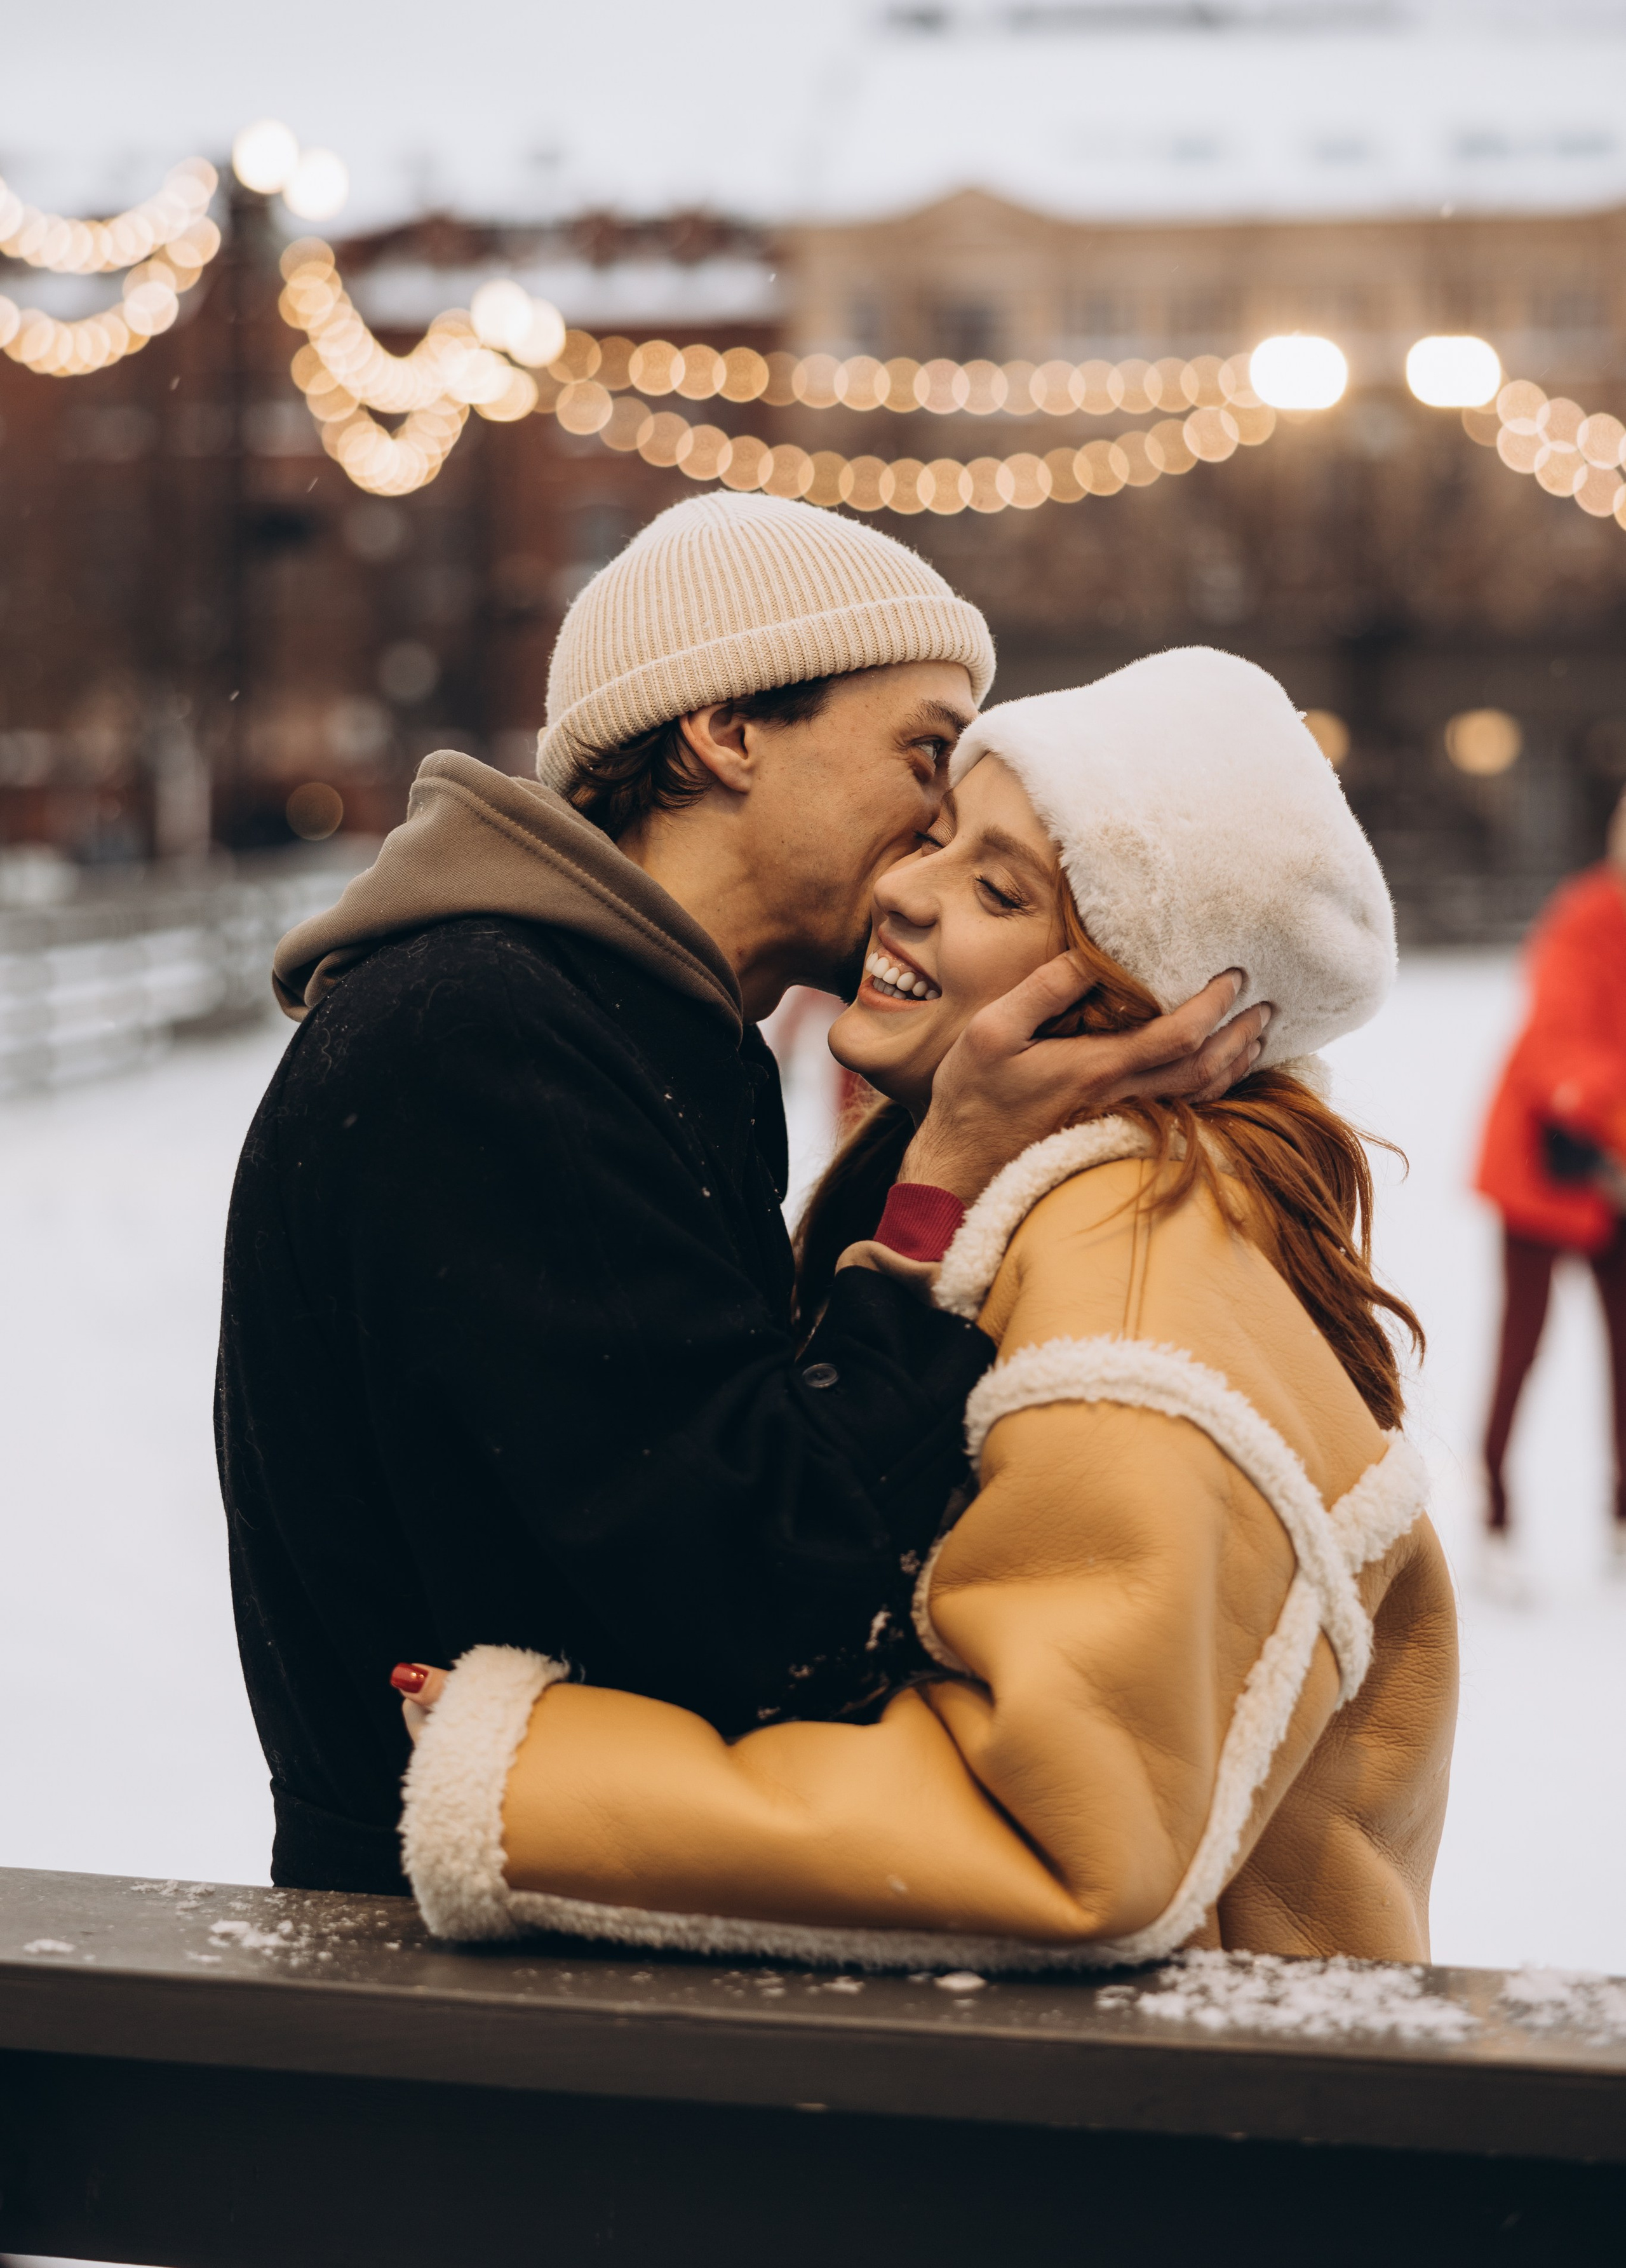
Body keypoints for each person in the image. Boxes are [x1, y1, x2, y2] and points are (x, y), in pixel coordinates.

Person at [217, 497, 1263, 1897]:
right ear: (726, 730)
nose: (932, 834)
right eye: (924, 756)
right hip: (461, 1986)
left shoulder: (622, 1032)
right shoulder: (487, 1042)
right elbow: (775, 1601)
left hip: (553, 1919)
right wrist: (936, 1185)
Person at [394, 648, 1459, 1970]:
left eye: (994, 886)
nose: (899, 887)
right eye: (938, 834)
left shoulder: (1128, 1292)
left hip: (1188, 2132)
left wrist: (520, 1769)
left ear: (1127, 1000)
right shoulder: (1019, 1209)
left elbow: (1061, 1843)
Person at [1475, 792, 1626, 1593]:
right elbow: (1560, 1049)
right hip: (1545, 1166)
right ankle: (1496, 1516)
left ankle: (1621, 1516)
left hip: (1614, 1178)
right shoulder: (1583, 918)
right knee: (1521, 1346)